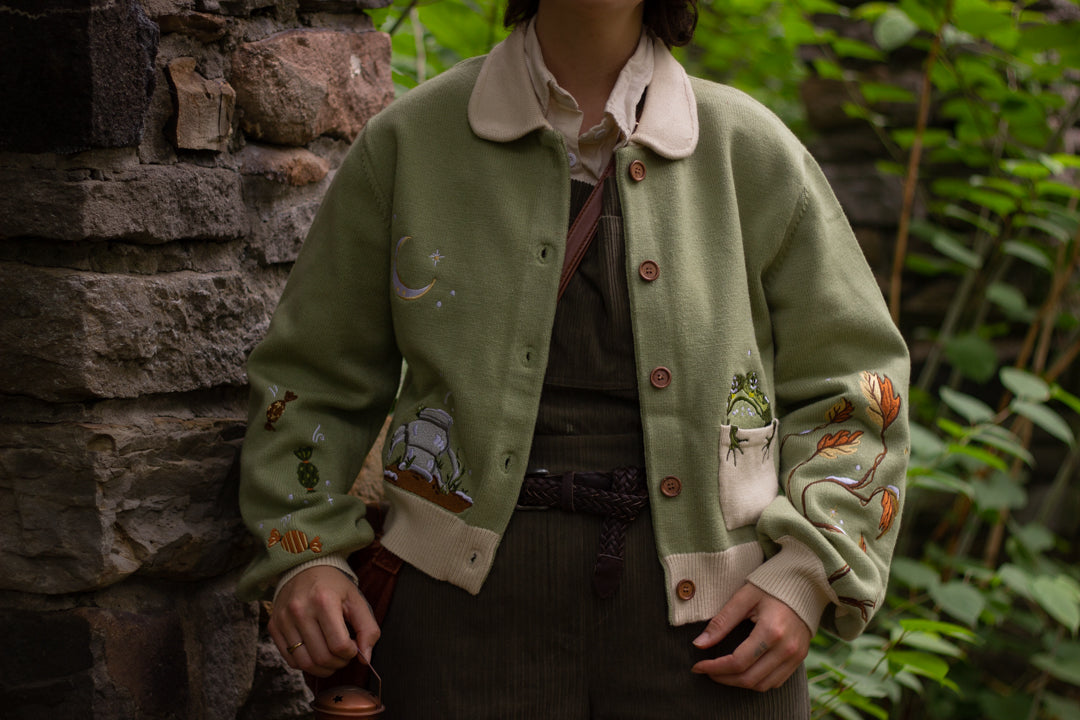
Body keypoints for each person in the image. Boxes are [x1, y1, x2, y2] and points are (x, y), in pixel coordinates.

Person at [237, 0, 910, 717]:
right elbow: (310, 380)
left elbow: (856, 385)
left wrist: (805, 572)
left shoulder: (752, 151)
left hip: (719, 642)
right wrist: (305, 551)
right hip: (456, 636)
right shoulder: (411, 143)